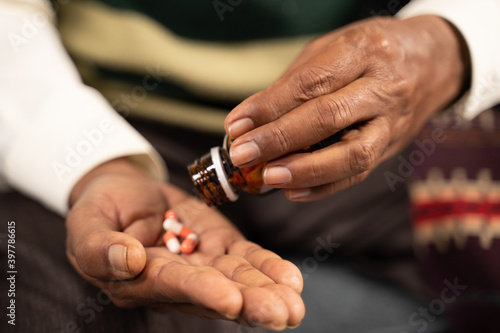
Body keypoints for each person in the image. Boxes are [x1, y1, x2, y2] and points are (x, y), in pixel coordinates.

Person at [1, 0, 499, 332]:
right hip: (114, 118)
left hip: (394, 113)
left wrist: (451, 45)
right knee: (30, 300)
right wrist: (95, 163)